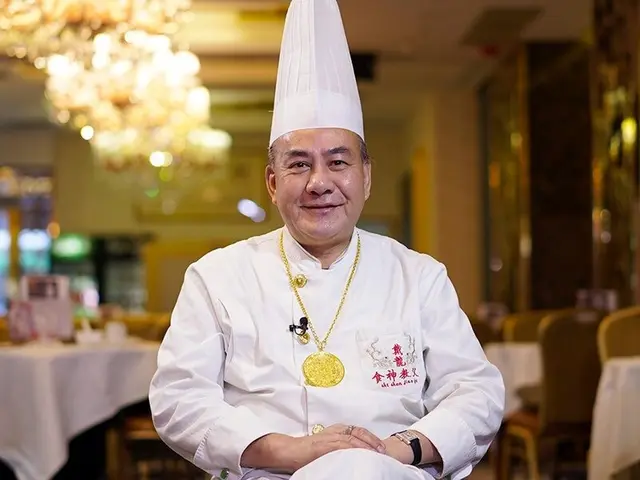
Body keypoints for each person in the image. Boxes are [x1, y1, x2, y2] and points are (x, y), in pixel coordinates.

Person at [148, 0, 505, 478]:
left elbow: (475, 391)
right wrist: (286, 451)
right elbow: (178, 397)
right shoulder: (217, 276)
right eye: (299, 164)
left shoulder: (419, 276)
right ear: (272, 183)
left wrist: (396, 451)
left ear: (366, 177)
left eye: (338, 162)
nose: (319, 182)